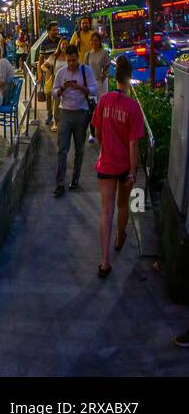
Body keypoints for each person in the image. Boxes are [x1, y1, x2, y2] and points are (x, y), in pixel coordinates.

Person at [93, 55, 143, 278]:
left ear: (115, 78)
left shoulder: (104, 100)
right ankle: (120, 236)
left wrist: (107, 147)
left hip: (106, 162)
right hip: (124, 166)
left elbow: (96, 133)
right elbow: (133, 146)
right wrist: (132, 171)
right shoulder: (133, 108)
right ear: (129, 78)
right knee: (123, 205)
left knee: (106, 211)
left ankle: (104, 262)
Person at [52, 43, 98, 197]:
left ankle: (75, 179)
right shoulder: (61, 72)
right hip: (65, 112)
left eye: (73, 60)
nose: (71, 64)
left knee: (79, 149)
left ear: (77, 57)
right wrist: (63, 89)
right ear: (66, 59)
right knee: (62, 149)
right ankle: (60, 183)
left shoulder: (86, 71)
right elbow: (54, 92)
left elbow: (94, 89)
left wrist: (80, 88)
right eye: (69, 61)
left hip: (82, 113)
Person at [37, 21, 63, 130]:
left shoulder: (60, 41)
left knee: (58, 94)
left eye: (57, 29)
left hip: (59, 71)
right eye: (53, 30)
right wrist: (40, 73)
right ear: (48, 31)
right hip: (48, 72)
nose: (56, 32)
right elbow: (40, 60)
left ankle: (58, 116)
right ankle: (49, 115)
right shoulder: (44, 43)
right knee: (48, 94)